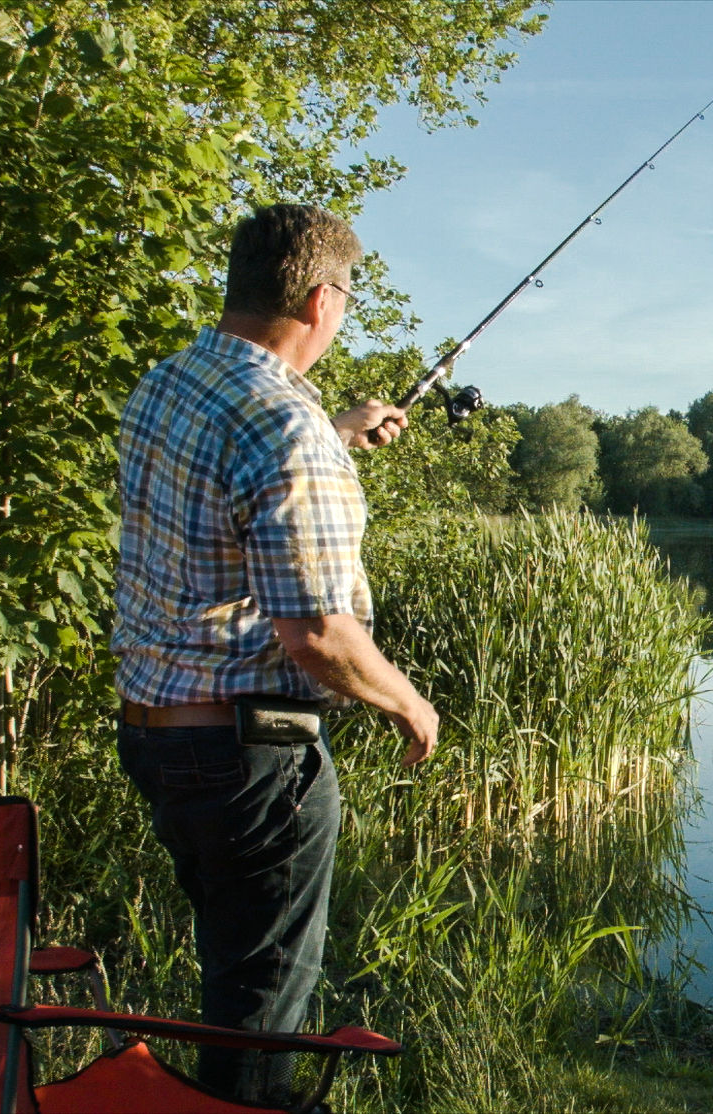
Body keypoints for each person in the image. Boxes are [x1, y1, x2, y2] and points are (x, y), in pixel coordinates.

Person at [111, 203, 439, 1104]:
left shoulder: (171, 383)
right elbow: (319, 632)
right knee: (265, 1002)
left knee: (234, 970)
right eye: (348, 301)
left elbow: (220, 497)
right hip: (250, 758)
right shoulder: (288, 431)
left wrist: (336, 431)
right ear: (322, 301)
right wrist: (411, 704)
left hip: (155, 736)